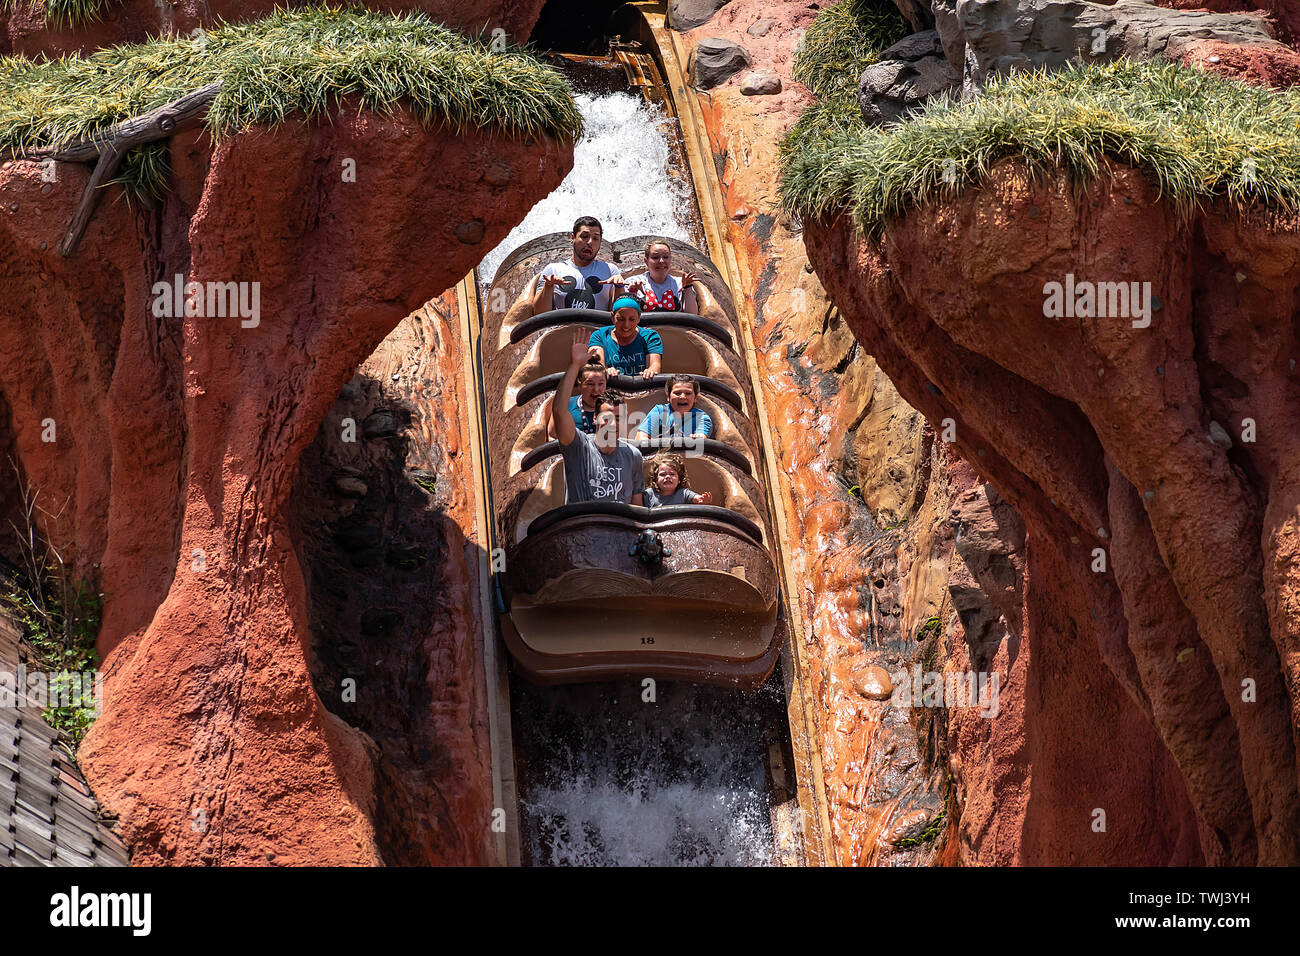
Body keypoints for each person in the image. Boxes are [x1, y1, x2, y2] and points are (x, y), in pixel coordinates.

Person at [552, 333, 644, 505]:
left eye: (618, 418)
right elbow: (559, 411)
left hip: (619, 530)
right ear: (595, 418)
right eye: (607, 417)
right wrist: (575, 365)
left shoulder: (633, 455)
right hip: (584, 528)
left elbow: (637, 507)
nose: (613, 423)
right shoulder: (579, 446)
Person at [531, 216, 624, 315]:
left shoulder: (610, 270)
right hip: (561, 329)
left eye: (595, 238)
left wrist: (619, 287)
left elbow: (620, 316)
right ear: (572, 238)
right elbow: (539, 313)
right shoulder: (553, 270)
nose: (590, 242)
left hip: (596, 330)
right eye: (584, 237)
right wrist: (548, 286)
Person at [589, 297, 663, 379]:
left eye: (632, 319)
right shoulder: (599, 335)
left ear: (638, 318)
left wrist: (650, 372)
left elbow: (655, 365)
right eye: (621, 319)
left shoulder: (650, 336)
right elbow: (597, 366)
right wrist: (605, 371)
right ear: (613, 317)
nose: (626, 325)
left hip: (642, 389)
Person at [625, 239, 699, 315]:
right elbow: (627, 316)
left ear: (670, 260)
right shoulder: (633, 282)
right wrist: (633, 292)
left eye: (666, 257)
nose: (661, 261)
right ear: (646, 261)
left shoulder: (680, 283)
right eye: (655, 257)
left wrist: (688, 287)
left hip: (674, 326)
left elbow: (691, 315)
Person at [634, 373, 713, 440]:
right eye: (677, 393)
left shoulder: (702, 417)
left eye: (688, 393)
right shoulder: (659, 411)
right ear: (668, 397)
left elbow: (700, 438)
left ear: (695, 398)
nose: (682, 397)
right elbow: (640, 438)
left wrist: (697, 438)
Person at [546, 360, 608, 438]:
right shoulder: (565, 405)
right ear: (580, 384)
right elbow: (552, 435)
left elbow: (624, 440)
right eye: (590, 384)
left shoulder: (616, 408)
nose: (596, 389)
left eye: (601, 384)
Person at [643, 453, 713, 507]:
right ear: (656, 479)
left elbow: (697, 498)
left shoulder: (684, 493)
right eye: (663, 474)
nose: (667, 477)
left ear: (679, 479)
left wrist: (702, 500)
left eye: (672, 474)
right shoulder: (649, 494)